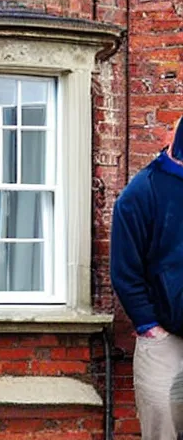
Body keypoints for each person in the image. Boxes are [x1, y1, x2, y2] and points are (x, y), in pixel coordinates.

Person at [111, 116, 183, 440]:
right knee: (161, 429)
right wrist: (148, 325)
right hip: (164, 340)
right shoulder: (143, 192)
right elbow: (125, 271)